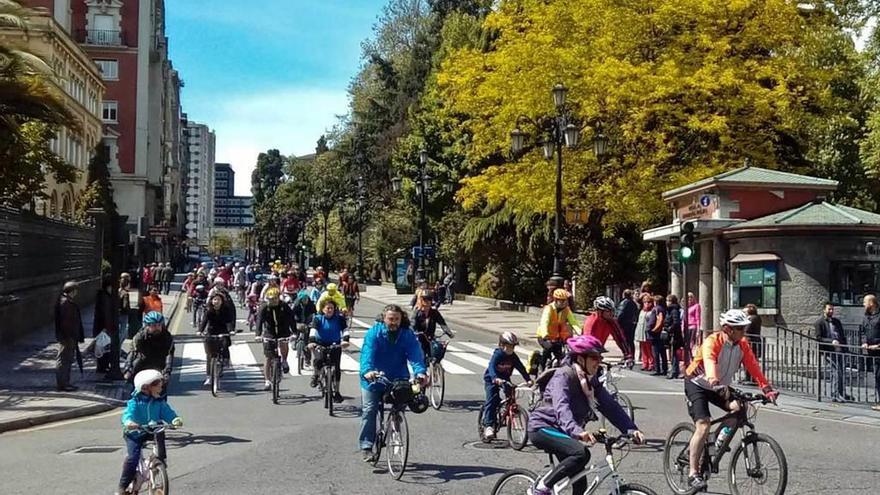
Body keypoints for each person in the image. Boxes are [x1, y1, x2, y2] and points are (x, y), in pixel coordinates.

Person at [527, 334, 645, 495]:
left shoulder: (590, 381)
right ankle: (541, 488)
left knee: (580, 484)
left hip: (564, 431)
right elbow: (562, 408)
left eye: (600, 357)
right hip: (543, 427)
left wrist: (631, 429)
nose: (599, 361)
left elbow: (610, 406)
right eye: (594, 357)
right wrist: (577, 431)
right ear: (580, 359)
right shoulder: (564, 376)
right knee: (581, 453)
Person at [684, 309, 778, 491]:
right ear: (728, 329)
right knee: (703, 424)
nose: (744, 332)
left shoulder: (742, 344)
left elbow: (753, 366)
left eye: (744, 328)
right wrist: (712, 378)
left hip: (720, 386)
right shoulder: (713, 341)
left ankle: (717, 440)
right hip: (697, 383)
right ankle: (693, 473)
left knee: (739, 407)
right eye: (740, 329)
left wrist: (766, 389)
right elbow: (709, 360)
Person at [358, 304, 427, 462]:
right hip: (374, 377)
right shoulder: (374, 333)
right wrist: (368, 371)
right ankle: (366, 446)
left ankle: (395, 429)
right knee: (369, 410)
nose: (394, 322)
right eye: (390, 319)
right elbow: (367, 353)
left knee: (400, 405)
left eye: (397, 319)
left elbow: (415, 355)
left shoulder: (407, 335)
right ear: (384, 319)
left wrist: (420, 372)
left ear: (401, 319)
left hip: (398, 377)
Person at [116, 369, 183, 495]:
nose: (161, 386)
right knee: (132, 458)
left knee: (160, 430)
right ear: (146, 387)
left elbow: (167, 412)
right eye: (158, 384)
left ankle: (160, 461)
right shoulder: (134, 402)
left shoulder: (159, 401)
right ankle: (122, 486)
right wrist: (129, 422)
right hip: (134, 433)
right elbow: (127, 415)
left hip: (151, 430)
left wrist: (174, 419)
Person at [481, 332, 531, 440]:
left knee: (511, 395)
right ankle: (488, 426)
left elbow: (521, 368)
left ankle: (510, 413)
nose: (511, 349)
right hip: (492, 379)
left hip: (505, 378)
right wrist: (495, 378)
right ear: (502, 345)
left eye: (512, 347)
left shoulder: (513, 357)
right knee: (492, 399)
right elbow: (491, 367)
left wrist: (528, 379)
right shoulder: (498, 355)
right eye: (508, 346)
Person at [309, 299, 350, 401]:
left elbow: (345, 330)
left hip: (335, 344)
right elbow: (313, 330)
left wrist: (345, 340)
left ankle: (337, 391)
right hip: (320, 343)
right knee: (318, 361)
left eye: (332, 308)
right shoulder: (318, 318)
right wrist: (312, 341)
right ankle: (316, 375)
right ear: (323, 309)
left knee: (336, 368)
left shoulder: (340, 319)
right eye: (328, 308)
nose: (330, 310)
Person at [124, 311, 175, 393]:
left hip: (159, 366)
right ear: (147, 326)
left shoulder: (167, 337)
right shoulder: (139, 337)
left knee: (161, 392)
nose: (157, 328)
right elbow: (132, 352)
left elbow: (169, 355)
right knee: (135, 392)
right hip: (142, 365)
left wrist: (167, 372)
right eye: (154, 325)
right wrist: (128, 368)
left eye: (159, 325)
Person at [533, 289, 580, 374]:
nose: (563, 303)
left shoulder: (566, 310)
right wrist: (545, 335)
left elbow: (574, 322)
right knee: (549, 348)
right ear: (555, 300)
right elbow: (544, 322)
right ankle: (541, 365)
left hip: (557, 337)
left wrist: (581, 333)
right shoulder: (549, 309)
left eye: (564, 300)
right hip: (544, 336)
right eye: (561, 301)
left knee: (561, 356)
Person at [256, 288, 295, 388]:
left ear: (278, 298)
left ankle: (285, 360)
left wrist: (294, 332)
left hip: (283, 330)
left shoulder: (284, 306)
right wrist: (258, 334)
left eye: (274, 299)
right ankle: (267, 380)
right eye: (270, 299)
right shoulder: (264, 307)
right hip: (270, 332)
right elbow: (259, 321)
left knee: (284, 343)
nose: (272, 301)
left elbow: (291, 318)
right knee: (268, 357)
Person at [814, 302, 852, 402]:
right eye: (829, 309)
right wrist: (831, 341)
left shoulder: (837, 321)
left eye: (832, 309)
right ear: (824, 310)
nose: (831, 311)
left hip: (840, 349)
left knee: (842, 372)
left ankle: (842, 392)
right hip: (829, 350)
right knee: (835, 372)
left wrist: (845, 349)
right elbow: (819, 338)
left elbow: (842, 335)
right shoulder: (819, 323)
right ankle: (835, 394)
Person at [581, 296, 632, 363]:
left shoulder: (611, 321)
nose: (611, 313)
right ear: (599, 311)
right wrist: (594, 356)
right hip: (584, 353)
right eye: (608, 311)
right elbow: (588, 342)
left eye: (612, 310)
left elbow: (620, 338)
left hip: (597, 353)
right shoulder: (591, 322)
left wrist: (628, 355)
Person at [410, 291, 456, 366]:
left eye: (429, 299)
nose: (427, 301)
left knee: (438, 350)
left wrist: (449, 332)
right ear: (421, 300)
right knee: (422, 356)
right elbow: (412, 323)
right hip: (420, 338)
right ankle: (422, 373)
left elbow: (442, 323)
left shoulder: (434, 312)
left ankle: (435, 369)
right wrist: (414, 332)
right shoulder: (417, 312)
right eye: (425, 299)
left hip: (430, 337)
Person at [198, 294, 234, 387]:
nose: (216, 301)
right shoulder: (209, 311)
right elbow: (204, 322)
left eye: (218, 300)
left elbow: (229, 322)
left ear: (222, 301)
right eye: (214, 300)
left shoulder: (226, 310)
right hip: (211, 332)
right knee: (209, 356)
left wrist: (231, 331)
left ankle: (225, 360)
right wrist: (200, 331)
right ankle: (209, 377)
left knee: (225, 344)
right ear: (211, 301)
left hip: (223, 332)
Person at [54, 281, 84, 391]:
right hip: (67, 337)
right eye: (75, 290)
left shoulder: (67, 302)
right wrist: (69, 336)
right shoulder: (66, 303)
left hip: (69, 336)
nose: (76, 293)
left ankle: (66, 382)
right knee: (64, 359)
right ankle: (62, 383)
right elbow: (66, 323)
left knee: (67, 359)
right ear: (72, 291)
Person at [859, 294, 880, 411]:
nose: (863, 304)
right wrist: (864, 342)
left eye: (864, 302)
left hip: (878, 349)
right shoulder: (866, 317)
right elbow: (863, 332)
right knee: (877, 376)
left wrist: (877, 345)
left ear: (871, 303)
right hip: (871, 352)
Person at [93, 278, 117, 373]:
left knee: (105, 346)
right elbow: (104, 314)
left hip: (104, 326)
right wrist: (105, 327)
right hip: (103, 327)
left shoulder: (105, 296)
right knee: (103, 347)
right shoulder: (104, 297)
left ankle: (104, 365)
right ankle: (102, 366)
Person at [616, 290, 639, 365]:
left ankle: (627, 356)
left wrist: (616, 322)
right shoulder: (633, 303)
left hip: (624, 324)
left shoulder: (624, 303)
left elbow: (620, 313)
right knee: (630, 341)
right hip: (632, 324)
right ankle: (631, 356)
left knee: (624, 341)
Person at [742, 304, 762, 384]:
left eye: (745, 310)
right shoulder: (750, 318)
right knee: (747, 360)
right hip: (750, 341)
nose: (744, 311)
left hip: (753, 342)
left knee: (752, 360)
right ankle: (748, 377)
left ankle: (752, 378)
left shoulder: (753, 318)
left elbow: (747, 329)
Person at [665, 294, 684, 379]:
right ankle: (674, 370)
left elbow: (676, 322)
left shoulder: (674, 310)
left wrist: (669, 329)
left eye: (668, 301)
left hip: (674, 335)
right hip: (672, 334)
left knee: (674, 354)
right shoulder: (670, 310)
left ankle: (674, 371)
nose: (667, 302)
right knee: (673, 353)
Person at [649, 294, 667, 376]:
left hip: (655, 334)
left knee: (655, 352)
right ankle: (664, 368)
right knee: (662, 352)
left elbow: (660, 320)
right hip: (660, 333)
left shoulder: (656, 309)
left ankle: (658, 369)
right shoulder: (663, 309)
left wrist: (653, 330)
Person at [636, 295, 654, 372]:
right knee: (643, 349)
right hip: (641, 332)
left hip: (647, 333)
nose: (646, 304)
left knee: (649, 349)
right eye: (645, 302)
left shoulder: (652, 311)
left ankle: (651, 364)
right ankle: (645, 363)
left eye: (648, 302)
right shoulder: (641, 311)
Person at [118, 274, 132, 354]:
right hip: (123, 315)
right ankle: (118, 349)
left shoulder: (118, 291)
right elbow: (125, 306)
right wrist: (129, 310)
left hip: (117, 314)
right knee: (123, 333)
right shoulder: (125, 294)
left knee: (118, 332)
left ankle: (118, 349)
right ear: (127, 285)